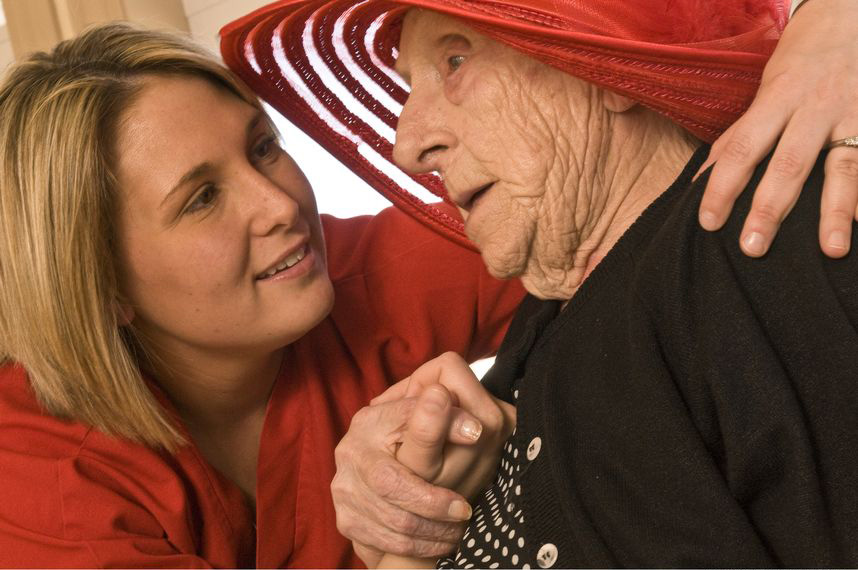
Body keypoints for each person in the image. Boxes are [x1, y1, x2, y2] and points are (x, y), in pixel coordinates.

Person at [221, 0, 858, 566]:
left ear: (605, 72)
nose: (407, 145)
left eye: (454, 60)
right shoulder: (552, 311)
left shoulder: (766, 249)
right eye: (412, 84)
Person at [0, 23, 523, 568]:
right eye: (202, 199)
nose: (280, 206)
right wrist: (412, 545)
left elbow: (587, 222)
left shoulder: (361, 277)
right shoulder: (34, 475)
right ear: (103, 287)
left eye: (263, 147)